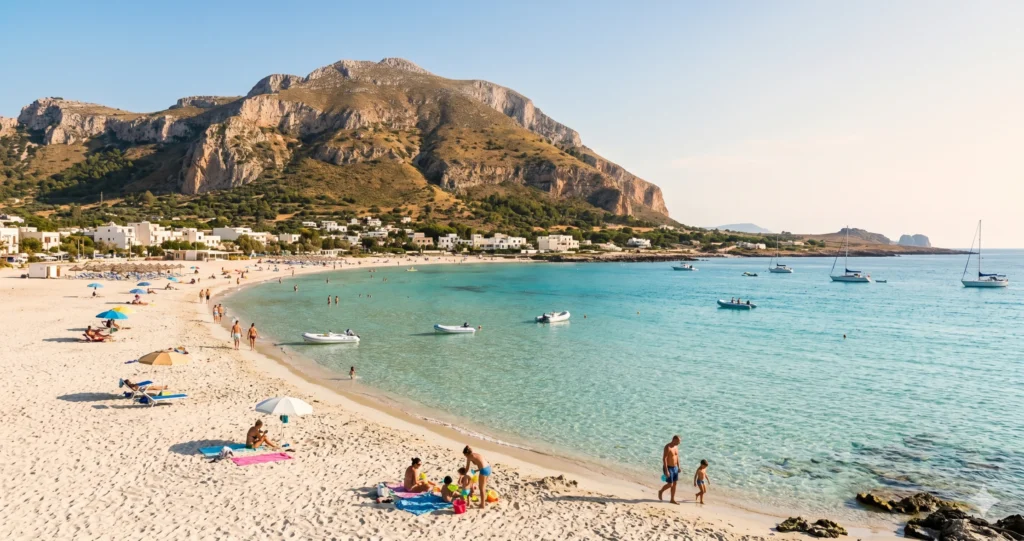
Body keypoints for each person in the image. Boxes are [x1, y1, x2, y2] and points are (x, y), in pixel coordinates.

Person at [658, 435, 682, 504]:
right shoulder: (667, 447)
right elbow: (664, 459)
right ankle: (661, 491)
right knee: (670, 484)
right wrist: (666, 470)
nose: (679, 443)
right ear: (673, 440)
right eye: (678, 441)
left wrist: (678, 466)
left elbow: (677, 457)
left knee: (674, 484)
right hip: (668, 467)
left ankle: (672, 499)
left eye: (679, 441)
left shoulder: (676, 447)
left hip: (675, 467)